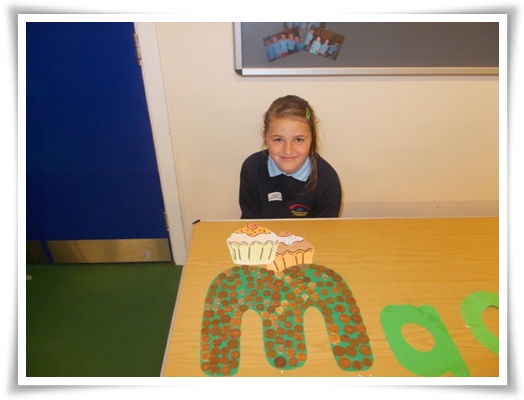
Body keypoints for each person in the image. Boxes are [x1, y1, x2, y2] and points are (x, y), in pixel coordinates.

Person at [239, 95, 342, 219]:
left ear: (312, 138)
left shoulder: (327, 180)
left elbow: (326, 229)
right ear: (265, 137)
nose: (288, 151)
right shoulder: (251, 168)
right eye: (278, 139)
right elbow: (250, 224)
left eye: (298, 139)